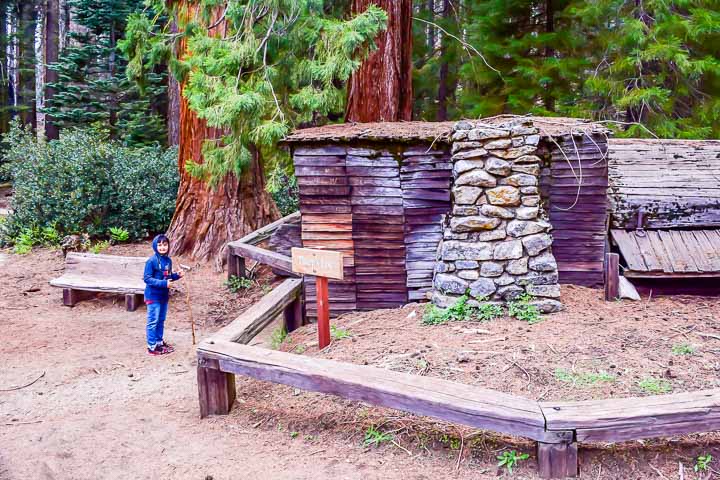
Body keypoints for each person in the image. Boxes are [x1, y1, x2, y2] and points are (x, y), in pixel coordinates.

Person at [143, 234, 183, 355]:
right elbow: (147, 279)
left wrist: (177, 276)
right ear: (155, 246)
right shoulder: (151, 261)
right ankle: (152, 346)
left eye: (165, 245)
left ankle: (159, 342)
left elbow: (168, 277)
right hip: (153, 296)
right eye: (159, 245)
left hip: (163, 296)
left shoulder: (168, 260)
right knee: (153, 321)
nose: (162, 247)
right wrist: (163, 283)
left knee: (161, 320)